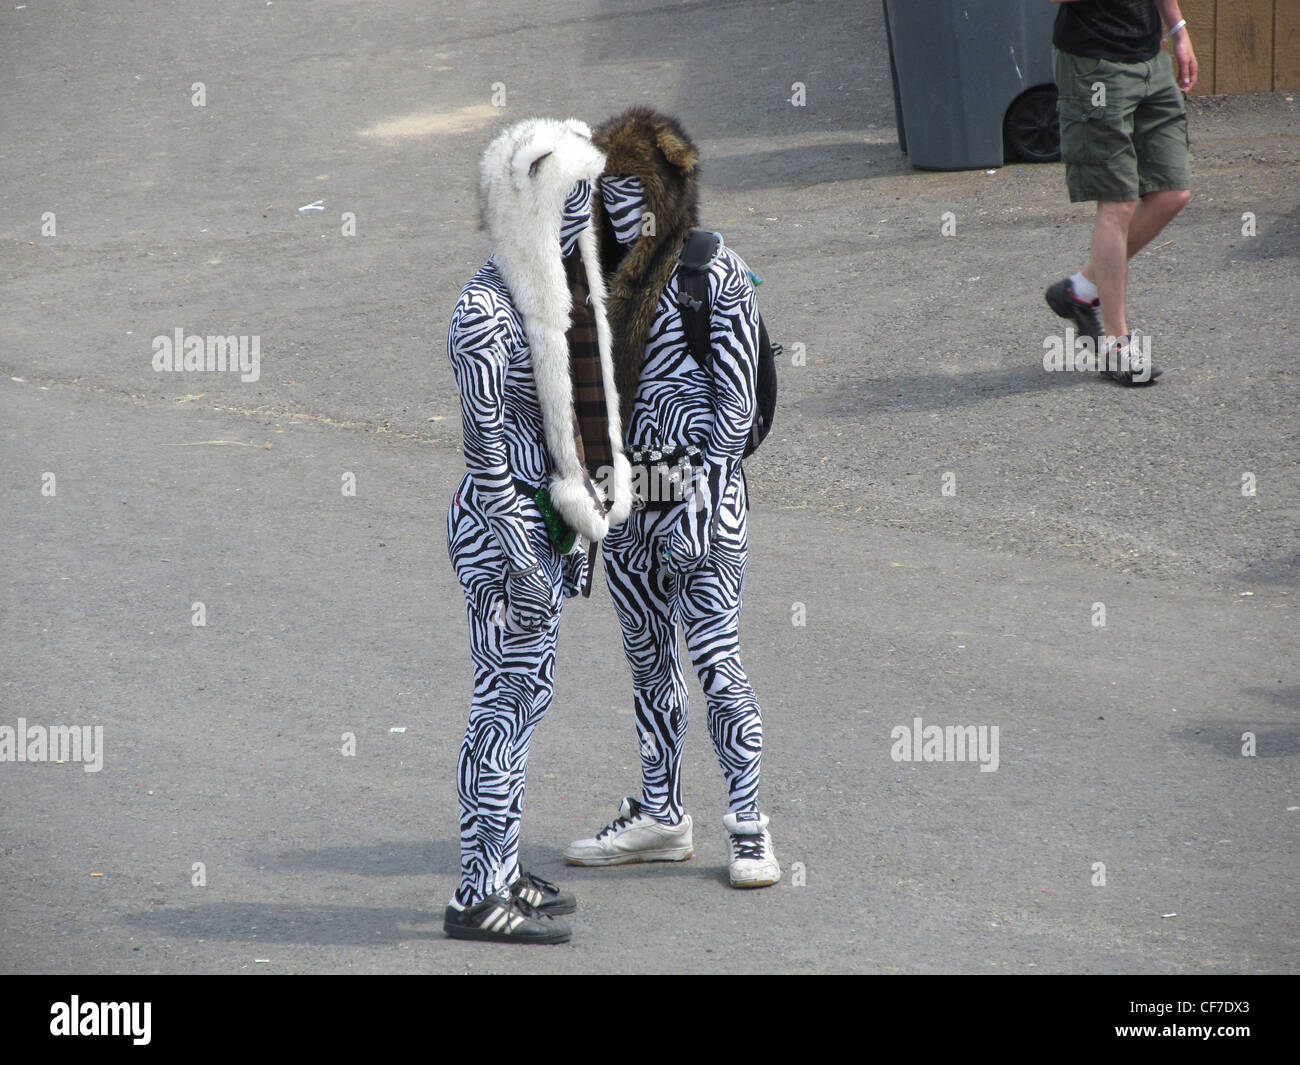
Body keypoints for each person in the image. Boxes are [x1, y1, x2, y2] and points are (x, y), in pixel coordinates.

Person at [563, 108, 780, 889]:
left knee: (718, 660)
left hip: (703, 500)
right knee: (648, 661)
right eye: (606, 192)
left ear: (668, 189)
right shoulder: (600, 275)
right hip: (630, 506)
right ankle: (662, 812)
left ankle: (750, 827)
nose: (617, 209)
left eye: (633, 191)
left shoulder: (712, 271)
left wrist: (699, 504)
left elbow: (732, 406)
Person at [443, 117, 632, 943]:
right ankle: (477, 891)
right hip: (502, 530)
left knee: (526, 698)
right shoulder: (486, 312)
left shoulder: (538, 299)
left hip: (532, 526)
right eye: (572, 204)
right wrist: (523, 552)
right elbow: (486, 449)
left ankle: (501, 865)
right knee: (502, 705)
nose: (584, 222)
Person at [1045, 0, 1197, 384]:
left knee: (1172, 192)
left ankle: (1080, 289)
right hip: (1094, 66)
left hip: (1150, 58)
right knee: (1119, 202)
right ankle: (1116, 344)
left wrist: (1177, 29)